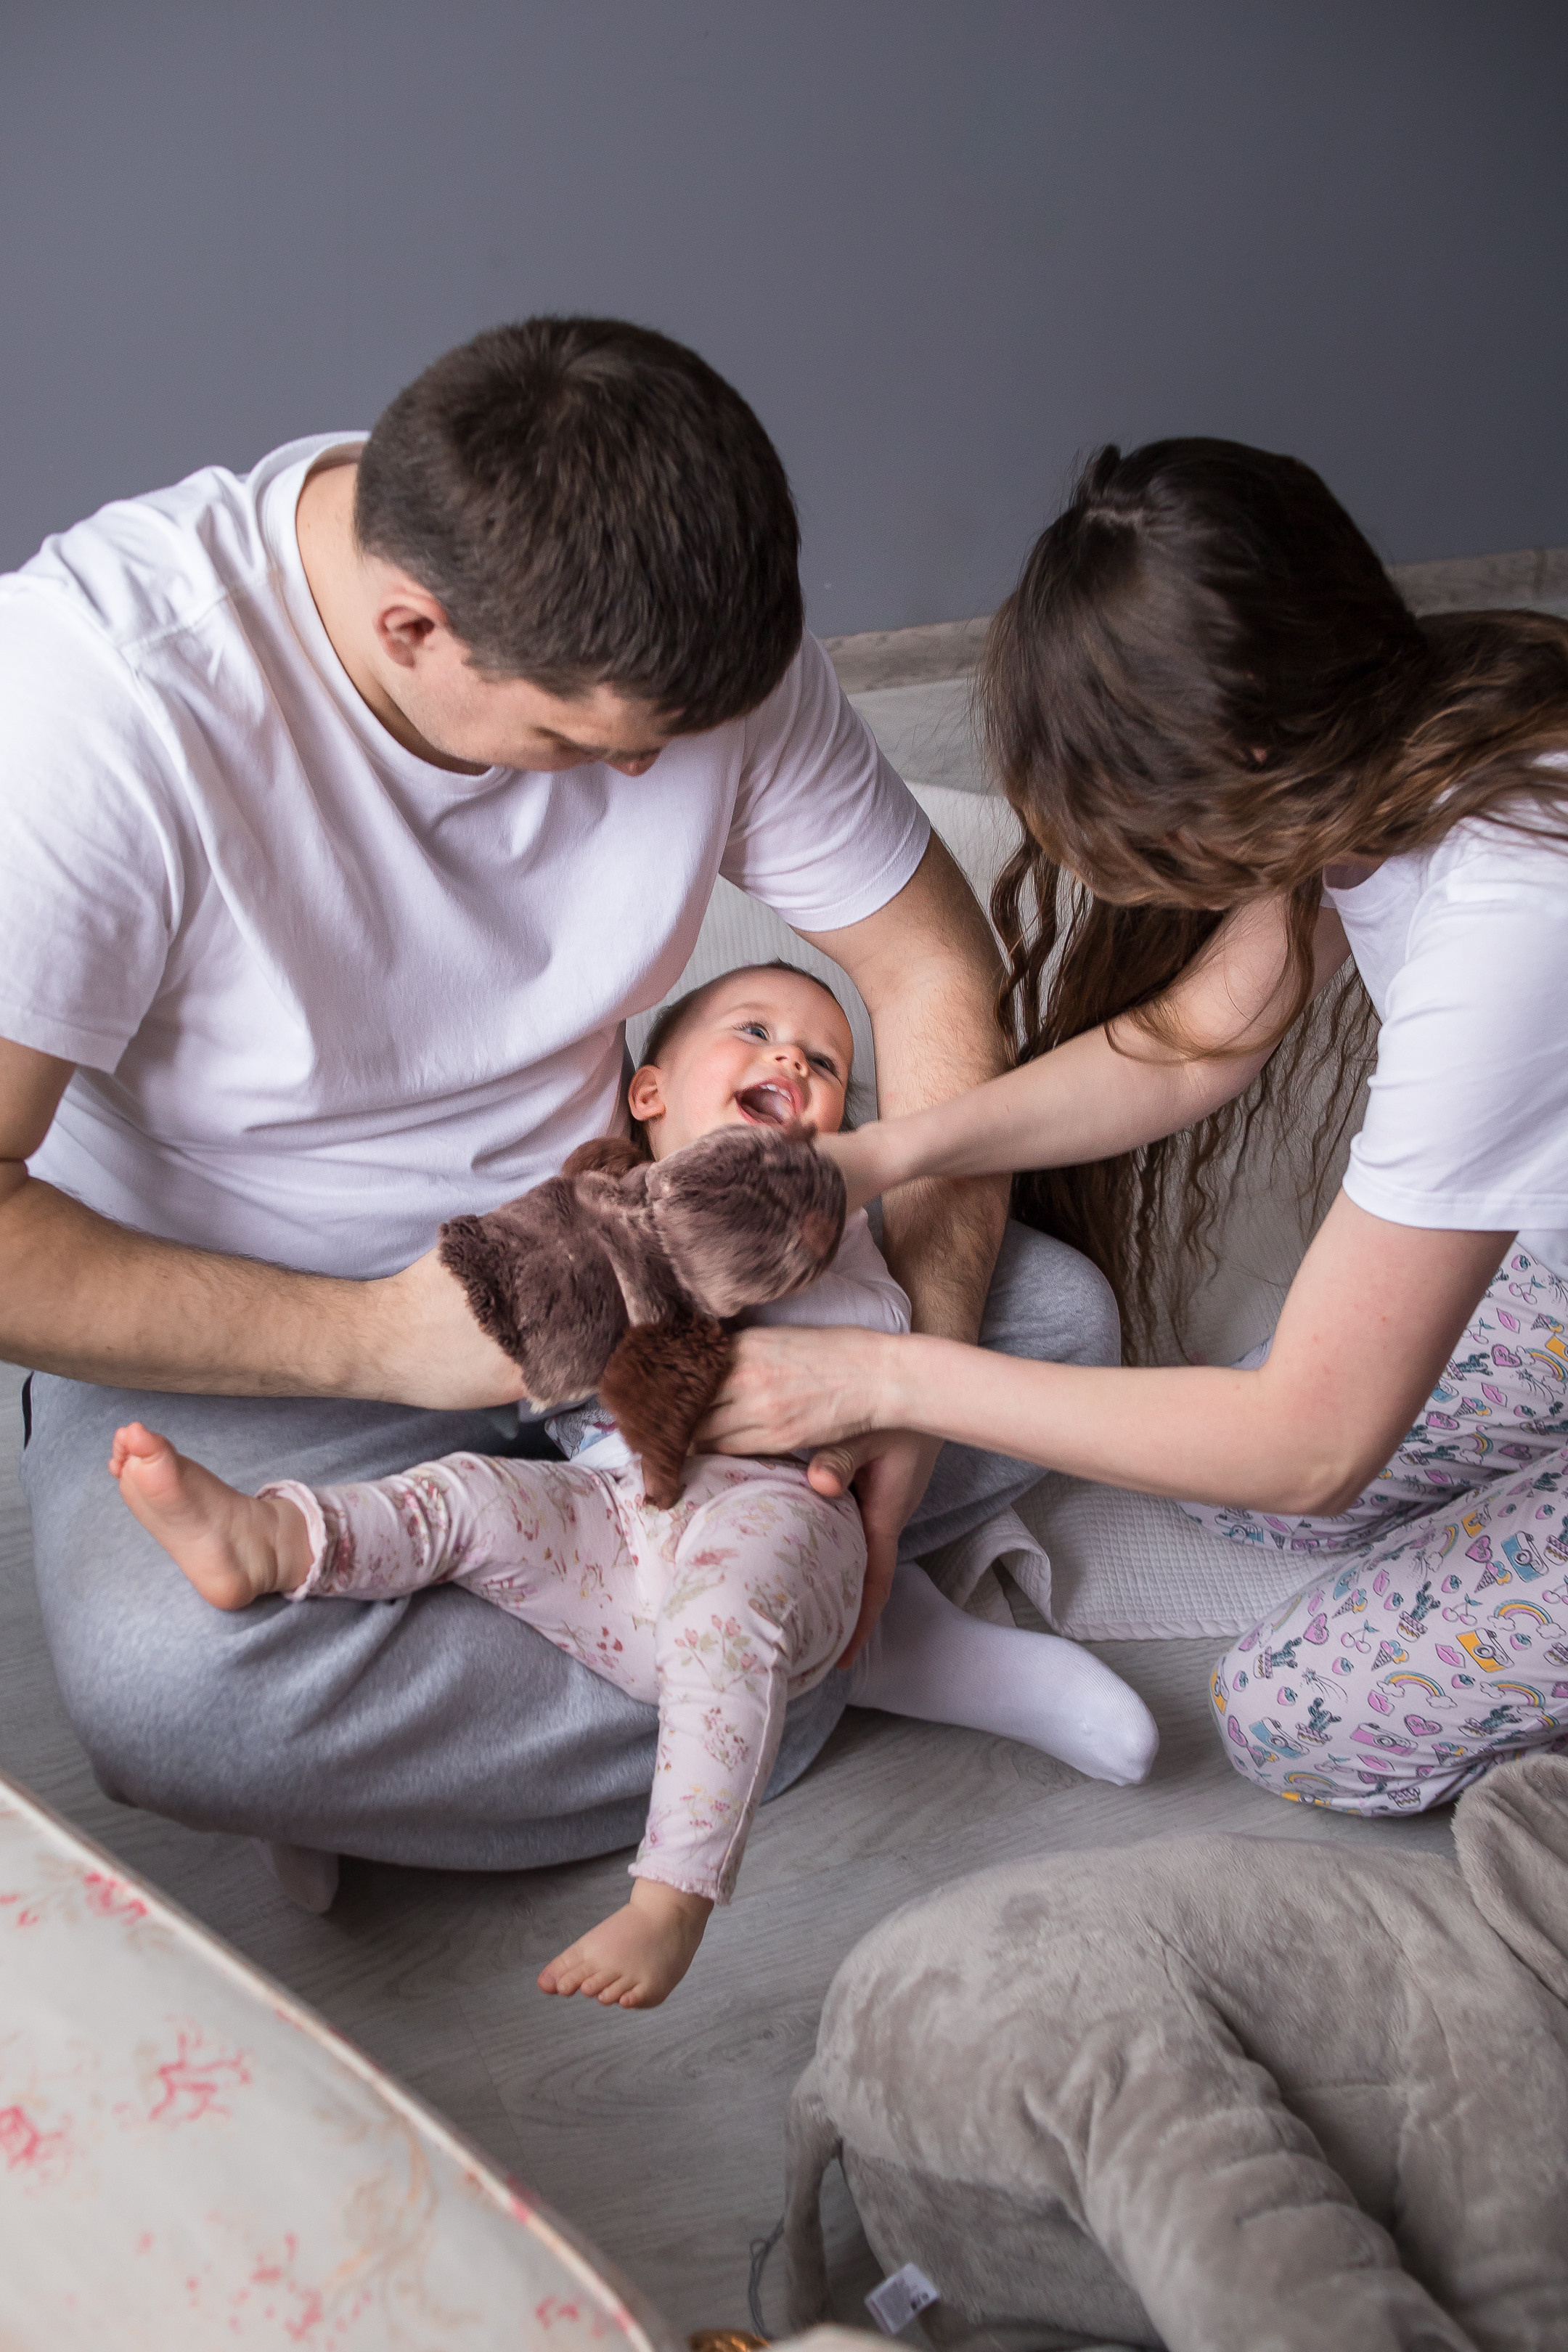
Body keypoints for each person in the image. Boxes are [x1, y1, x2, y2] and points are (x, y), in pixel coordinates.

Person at [0, 317, 1119, 1905]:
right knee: (170, 1700)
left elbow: (933, 965)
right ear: (413, 628)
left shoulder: (678, 619)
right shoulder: (90, 714)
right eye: (590, 752)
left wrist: (905, 1381)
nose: (648, 776)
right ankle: (803, 1653)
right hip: (276, 1321)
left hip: (643, 1250)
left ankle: (625, 1640)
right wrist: (383, 1341)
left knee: (1055, 1324)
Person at [701, 437, 1568, 1817]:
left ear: (1254, 756)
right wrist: (884, 1155)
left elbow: (1309, 1442)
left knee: (1301, 1716)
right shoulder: (1385, 736)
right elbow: (1186, 1045)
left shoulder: (1510, 919)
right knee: (1232, 1494)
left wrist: (887, 1382)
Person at [105, 963, 1156, 2002]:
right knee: (469, 1496)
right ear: (648, 1095)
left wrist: (798, 1257)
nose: (790, 1056)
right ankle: (280, 1544)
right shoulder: (592, 1210)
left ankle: (675, 1891)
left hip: (781, 1515)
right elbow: (531, 1350)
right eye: (752, 1031)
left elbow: (883, 1333)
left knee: (743, 1601)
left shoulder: (836, 1225)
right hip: (612, 1525)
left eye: (824, 1061)